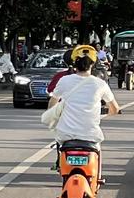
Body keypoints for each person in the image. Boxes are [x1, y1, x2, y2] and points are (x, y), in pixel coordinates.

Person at [48, 49, 121, 178]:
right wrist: (102, 115)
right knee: (97, 151)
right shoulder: (100, 84)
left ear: (74, 63)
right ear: (92, 64)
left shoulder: (64, 80)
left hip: (66, 135)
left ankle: (61, 166)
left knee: (60, 146)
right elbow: (114, 109)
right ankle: (97, 179)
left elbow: (52, 103)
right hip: (90, 135)